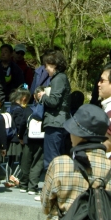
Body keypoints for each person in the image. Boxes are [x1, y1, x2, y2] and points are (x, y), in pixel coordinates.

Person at [36, 50, 71, 181]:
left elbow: (54, 101)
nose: (46, 69)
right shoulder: (61, 78)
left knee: (51, 159)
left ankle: (51, 187)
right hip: (60, 122)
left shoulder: (58, 79)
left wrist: (43, 96)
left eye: (48, 65)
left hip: (55, 122)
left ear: (54, 65)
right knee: (58, 157)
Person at [6, 88, 32, 189]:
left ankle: (8, 179)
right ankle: (14, 176)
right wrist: (21, 136)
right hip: (17, 139)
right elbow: (20, 124)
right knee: (20, 159)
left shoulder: (10, 107)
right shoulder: (19, 110)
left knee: (10, 160)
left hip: (9, 137)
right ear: (24, 98)